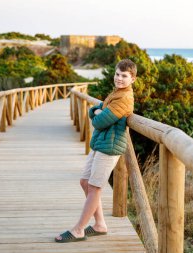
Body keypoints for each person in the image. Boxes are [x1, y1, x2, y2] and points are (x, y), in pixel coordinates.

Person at [55, 59, 136, 243]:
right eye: (117, 74)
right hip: (101, 144)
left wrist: (99, 113)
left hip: (110, 148)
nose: (119, 78)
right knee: (85, 182)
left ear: (133, 79)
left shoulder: (124, 98)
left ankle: (78, 229)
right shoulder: (116, 93)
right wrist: (99, 112)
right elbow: (95, 111)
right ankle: (100, 225)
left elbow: (99, 121)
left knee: (94, 187)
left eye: (124, 76)